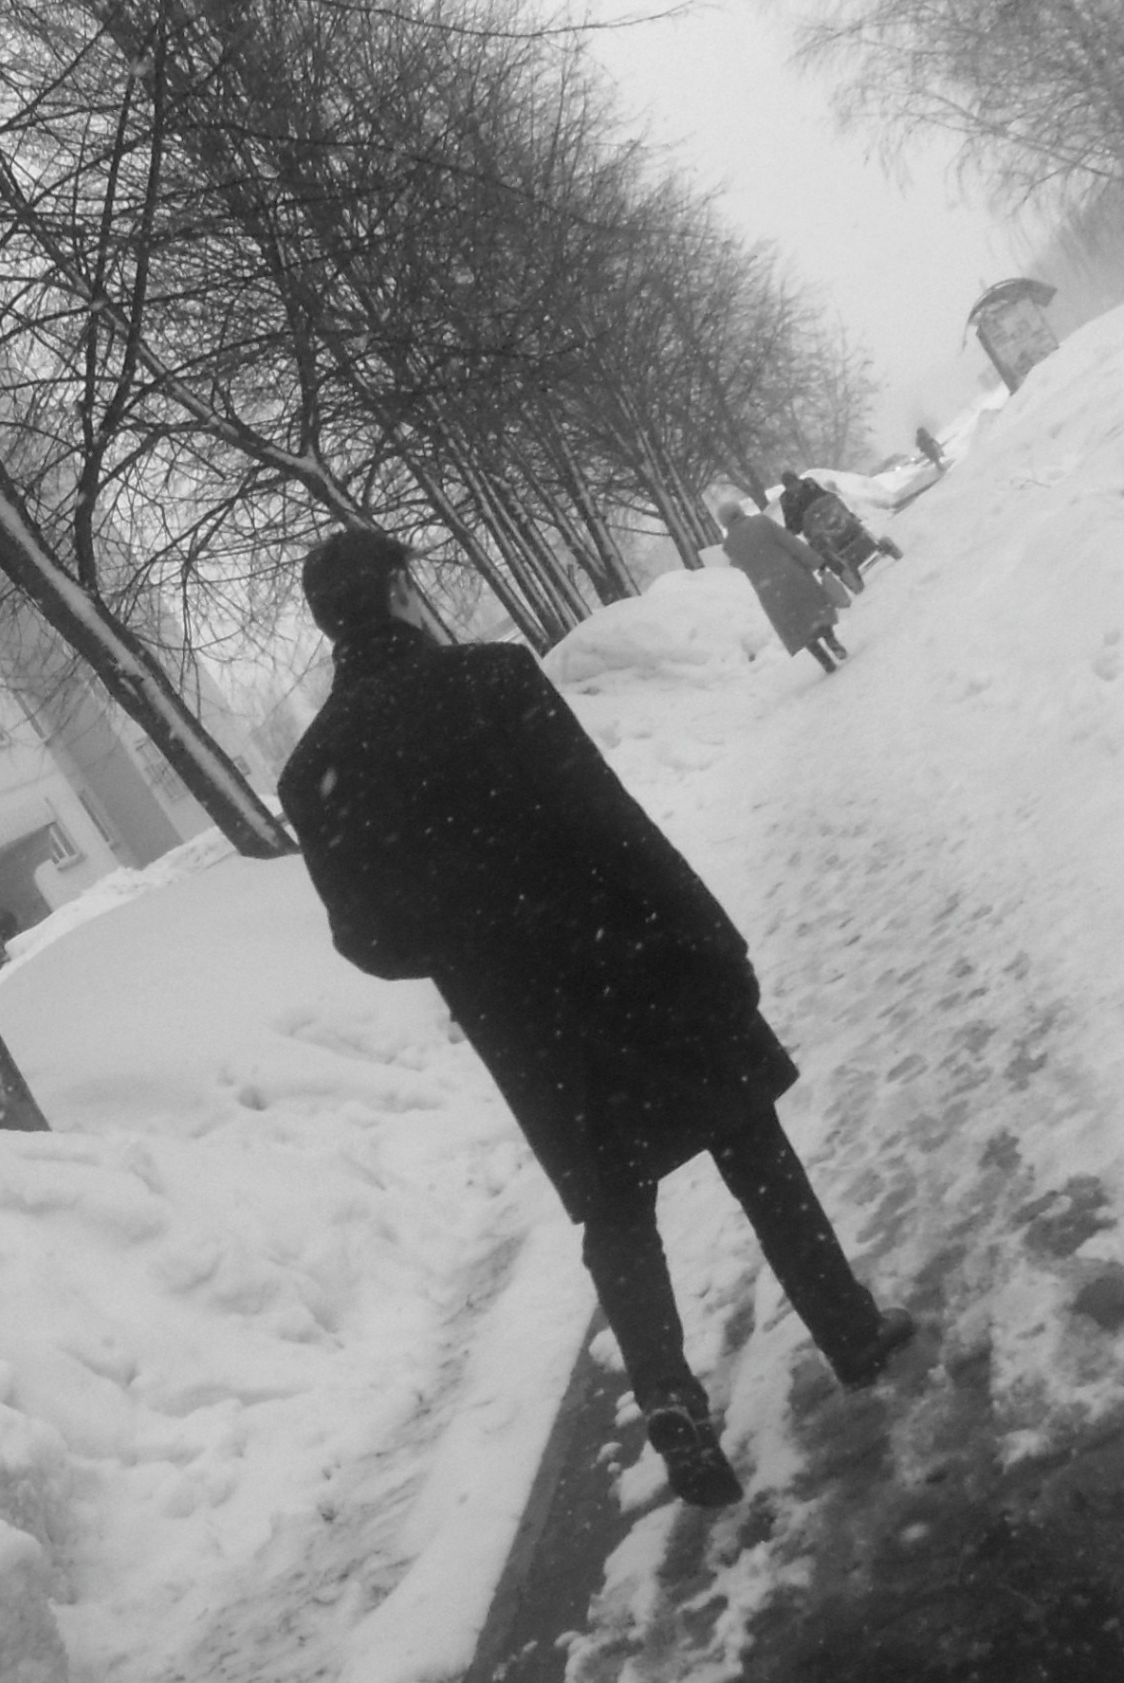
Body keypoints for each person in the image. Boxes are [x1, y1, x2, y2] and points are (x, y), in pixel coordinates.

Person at [277, 529, 913, 1510]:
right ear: (399, 590)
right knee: (751, 1146)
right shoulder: (491, 680)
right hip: (632, 955)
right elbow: (607, 816)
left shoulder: (316, 768)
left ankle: (669, 1396)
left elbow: (366, 939)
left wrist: (467, 942)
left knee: (616, 1208)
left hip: (525, 1024)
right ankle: (852, 1332)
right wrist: (708, 933)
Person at [719, 502, 849, 672]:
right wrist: (816, 561)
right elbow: (790, 543)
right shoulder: (762, 522)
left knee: (796, 626)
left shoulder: (729, 546)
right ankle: (831, 641)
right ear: (740, 511)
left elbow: (739, 564)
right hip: (792, 574)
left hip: (769, 590)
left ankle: (825, 662)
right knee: (815, 612)